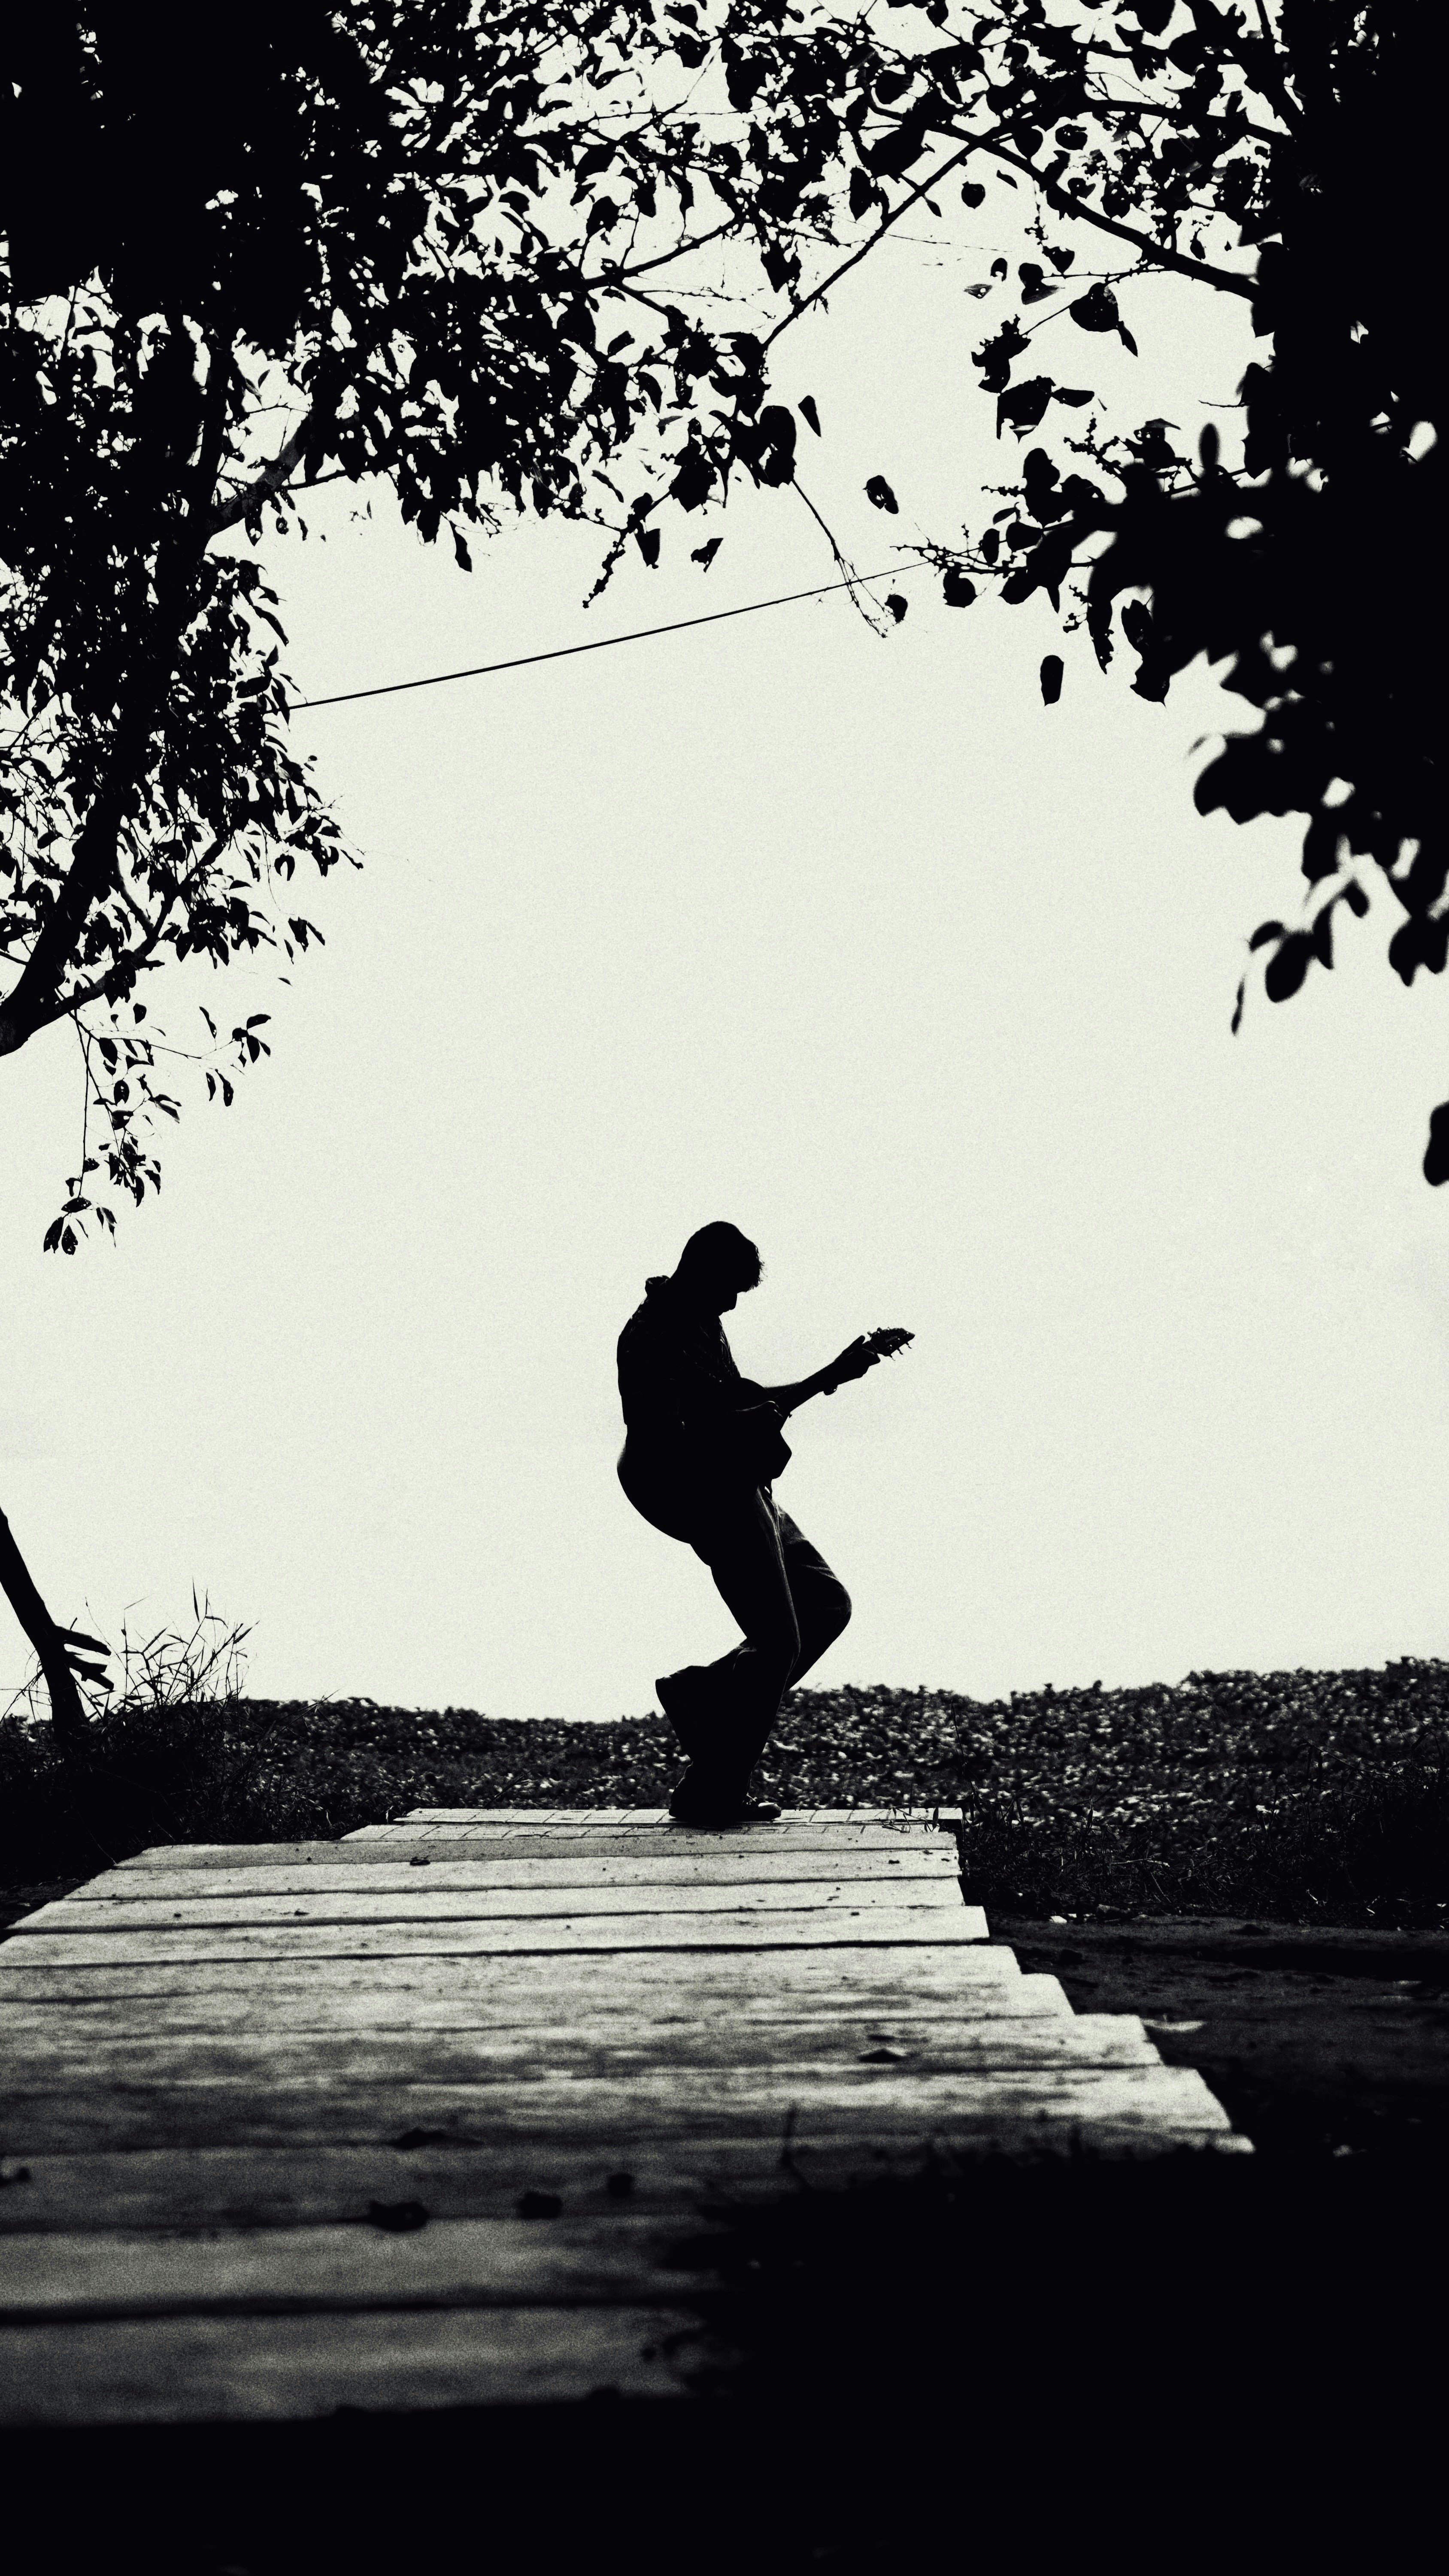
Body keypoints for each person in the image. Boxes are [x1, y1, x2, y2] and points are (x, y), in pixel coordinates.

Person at [615, 1221, 886, 1827]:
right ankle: (714, 1789)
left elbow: (739, 1403)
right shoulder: (650, 1337)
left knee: (826, 1603)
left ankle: (704, 1693)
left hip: (737, 1479)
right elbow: (666, 1436)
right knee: (778, 1641)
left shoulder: (702, 1320)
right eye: (731, 1289)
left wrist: (828, 1376)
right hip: (693, 1486)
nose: (735, 1303)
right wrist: (754, 1423)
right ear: (700, 1270)